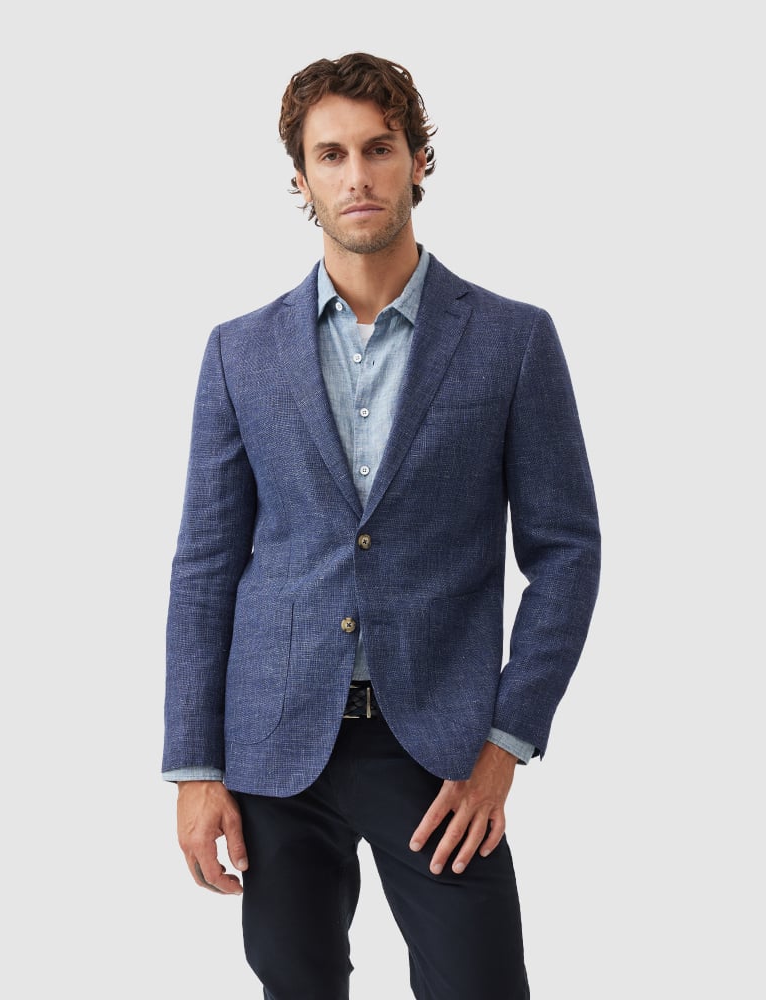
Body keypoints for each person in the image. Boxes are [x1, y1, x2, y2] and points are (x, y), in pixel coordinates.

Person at [162, 51, 600, 1000]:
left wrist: (505, 745)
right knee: (297, 983)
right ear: (300, 177)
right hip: (274, 745)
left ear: (417, 160)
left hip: (437, 746)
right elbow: (205, 564)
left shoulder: (512, 340)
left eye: (378, 148)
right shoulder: (239, 352)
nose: (356, 176)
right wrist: (194, 767)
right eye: (330, 155)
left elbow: (566, 553)